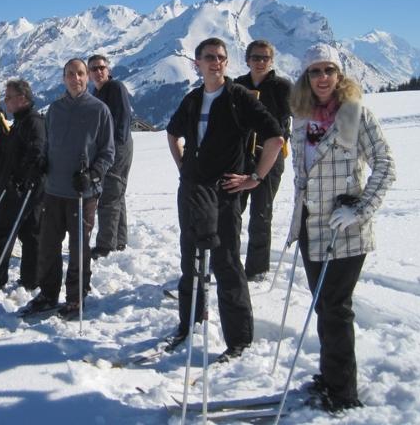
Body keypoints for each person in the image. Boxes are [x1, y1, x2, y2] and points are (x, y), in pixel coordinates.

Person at [286, 43, 395, 412]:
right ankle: (331, 377)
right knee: (323, 306)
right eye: (315, 71)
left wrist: (361, 209)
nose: (322, 78)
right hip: (310, 228)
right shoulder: (300, 117)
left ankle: (344, 394)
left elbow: (385, 164)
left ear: (340, 75)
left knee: (335, 307)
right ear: (306, 76)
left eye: (329, 71)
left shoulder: (354, 115)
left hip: (344, 229)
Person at [166, 38, 284, 361]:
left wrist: (254, 178)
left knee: (226, 262)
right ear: (197, 63)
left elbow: (275, 137)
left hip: (224, 193)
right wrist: (184, 166)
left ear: (226, 63)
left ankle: (239, 340)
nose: (215, 62)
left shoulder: (239, 98)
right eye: (209, 57)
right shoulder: (192, 100)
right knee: (190, 258)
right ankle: (189, 324)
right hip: (192, 191)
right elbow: (172, 132)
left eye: (220, 57)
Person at [20, 58, 115, 319]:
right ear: (63, 78)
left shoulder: (99, 110)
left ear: (87, 77)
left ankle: (76, 296)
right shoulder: (56, 110)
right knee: (48, 245)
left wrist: (93, 173)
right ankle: (48, 293)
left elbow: (108, 152)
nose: (76, 78)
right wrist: (41, 163)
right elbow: (49, 145)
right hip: (53, 190)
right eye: (71, 74)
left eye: (81, 74)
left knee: (79, 248)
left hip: (82, 194)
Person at [235, 40, 292, 280]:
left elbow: (291, 122)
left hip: (270, 157)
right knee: (232, 210)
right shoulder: (238, 85)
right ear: (247, 60)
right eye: (255, 57)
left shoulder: (282, 87)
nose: (259, 62)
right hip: (240, 158)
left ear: (271, 61)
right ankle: (227, 262)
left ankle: (256, 270)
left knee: (261, 212)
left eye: (264, 58)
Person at [0, 79, 46, 290]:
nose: (5, 101)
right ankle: (31, 279)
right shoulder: (21, 121)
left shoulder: (33, 122)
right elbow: (14, 151)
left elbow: (37, 152)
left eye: (9, 97)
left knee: (4, 232)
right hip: (21, 186)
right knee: (29, 233)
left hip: (22, 188)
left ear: (22, 99)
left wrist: (20, 178)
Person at [87, 54, 133, 259]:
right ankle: (119, 239)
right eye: (93, 69)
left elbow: (122, 119)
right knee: (116, 194)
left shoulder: (115, 88)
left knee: (109, 194)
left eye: (101, 68)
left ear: (108, 70)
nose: (98, 72)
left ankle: (105, 245)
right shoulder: (96, 92)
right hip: (110, 148)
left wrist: (111, 150)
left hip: (116, 148)